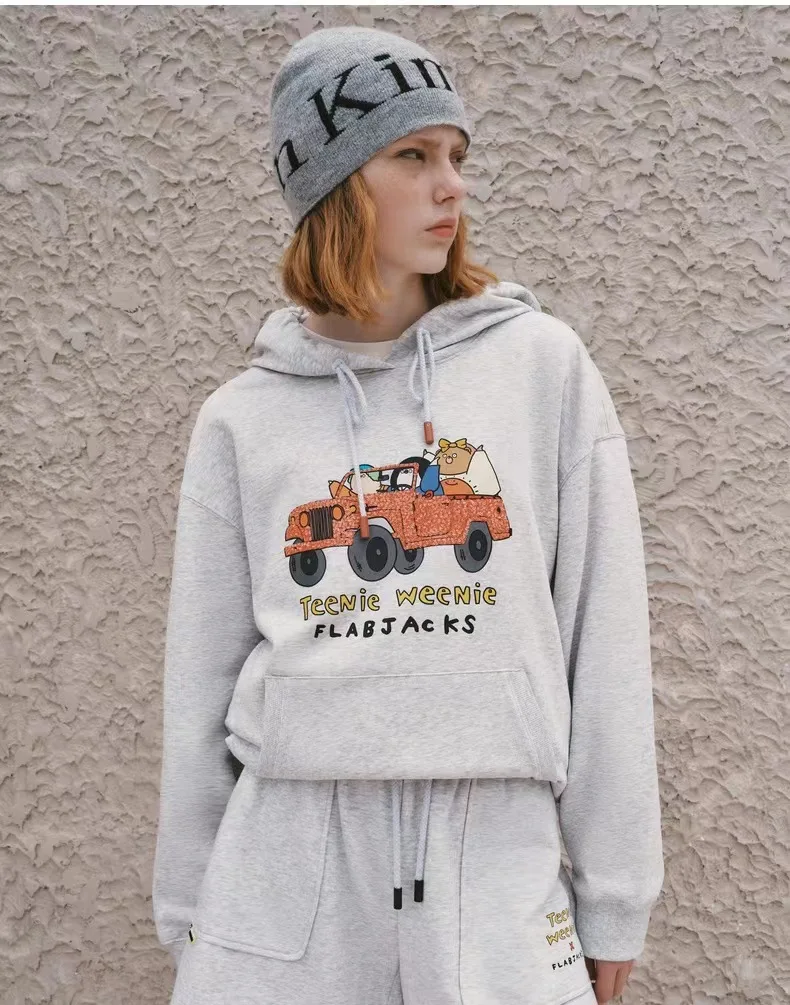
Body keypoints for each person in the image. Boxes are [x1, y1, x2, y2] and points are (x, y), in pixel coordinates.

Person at [151, 25, 664, 1005]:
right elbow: (199, 684)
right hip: (285, 868)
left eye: (456, 156)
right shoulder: (242, 418)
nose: (451, 187)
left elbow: (604, 638)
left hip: (495, 861)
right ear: (338, 183)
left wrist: (616, 892)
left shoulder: (541, 367)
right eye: (414, 156)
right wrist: (188, 910)